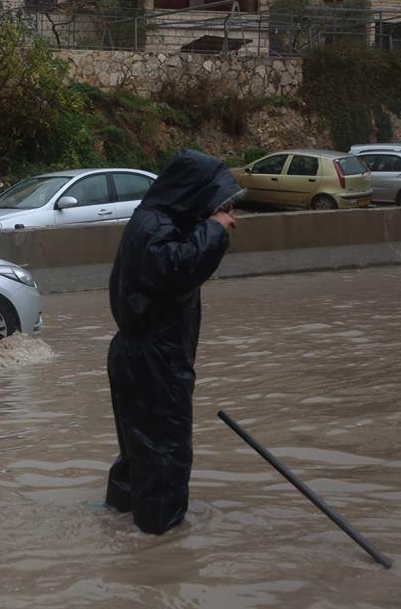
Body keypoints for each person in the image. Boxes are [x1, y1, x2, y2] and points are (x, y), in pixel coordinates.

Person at [104, 149, 241, 535]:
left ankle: (118, 528)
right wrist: (215, 229)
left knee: (139, 453)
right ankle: (160, 548)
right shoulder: (157, 227)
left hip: (143, 357)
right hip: (155, 362)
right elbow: (180, 268)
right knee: (164, 457)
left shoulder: (156, 220)